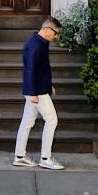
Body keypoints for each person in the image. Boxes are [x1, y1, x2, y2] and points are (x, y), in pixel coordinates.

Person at [13, 16, 64, 170]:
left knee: (27, 121)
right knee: (52, 120)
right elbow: (30, 70)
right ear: (48, 30)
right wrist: (32, 93)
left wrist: (49, 85)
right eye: (56, 33)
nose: (56, 37)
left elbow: (42, 69)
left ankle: (20, 156)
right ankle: (45, 158)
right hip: (37, 91)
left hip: (40, 88)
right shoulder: (34, 45)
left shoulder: (40, 43)